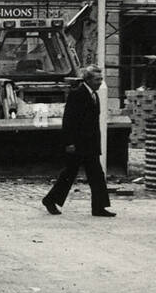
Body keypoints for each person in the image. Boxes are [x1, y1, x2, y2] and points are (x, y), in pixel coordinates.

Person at [42, 64, 114, 217]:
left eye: (101, 79)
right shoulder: (77, 94)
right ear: (87, 80)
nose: (100, 82)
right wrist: (69, 143)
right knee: (69, 174)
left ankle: (99, 207)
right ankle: (50, 199)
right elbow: (69, 121)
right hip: (78, 144)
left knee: (96, 175)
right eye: (97, 79)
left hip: (90, 144)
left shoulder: (94, 95)